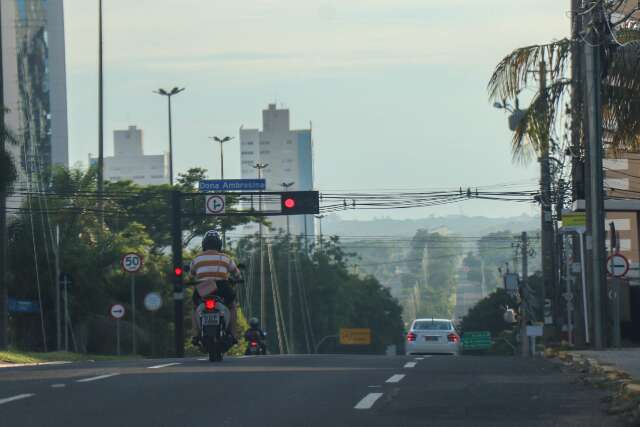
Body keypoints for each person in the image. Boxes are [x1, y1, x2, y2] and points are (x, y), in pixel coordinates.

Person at [190, 230, 242, 346]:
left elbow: (191, 276)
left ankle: (195, 334)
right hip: (222, 287)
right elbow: (237, 274)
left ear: (204, 244)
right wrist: (237, 278)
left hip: (203, 288)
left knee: (194, 307)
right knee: (232, 306)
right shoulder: (225, 258)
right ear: (219, 244)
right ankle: (233, 334)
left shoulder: (197, 259)